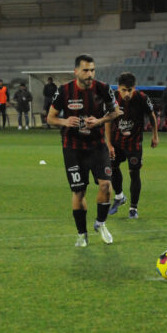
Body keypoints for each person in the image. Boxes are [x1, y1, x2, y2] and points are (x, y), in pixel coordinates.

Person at [46, 54, 121, 247]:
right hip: (73, 148)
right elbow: (50, 118)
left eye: (92, 70)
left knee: (106, 186)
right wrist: (64, 121)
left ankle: (101, 224)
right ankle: (82, 234)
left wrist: (100, 121)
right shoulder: (64, 91)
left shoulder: (103, 88)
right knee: (79, 192)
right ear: (76, 71)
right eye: (86, 70)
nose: (90, 74)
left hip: (97, 146)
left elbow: (116, 112)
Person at [107, 72, 159, 219]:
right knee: (112, 167)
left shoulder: (142, 98)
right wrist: (109, 144)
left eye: (130, 90)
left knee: (134, 173)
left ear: (134, 88)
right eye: (124, 90)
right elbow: (108, 121)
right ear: (119, 88)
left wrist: (155, 135)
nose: (127, 93)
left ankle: (133, 208)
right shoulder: (113, 99)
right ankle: (119, 197)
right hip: (117, 142)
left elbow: (152, 116)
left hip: (134, 143)